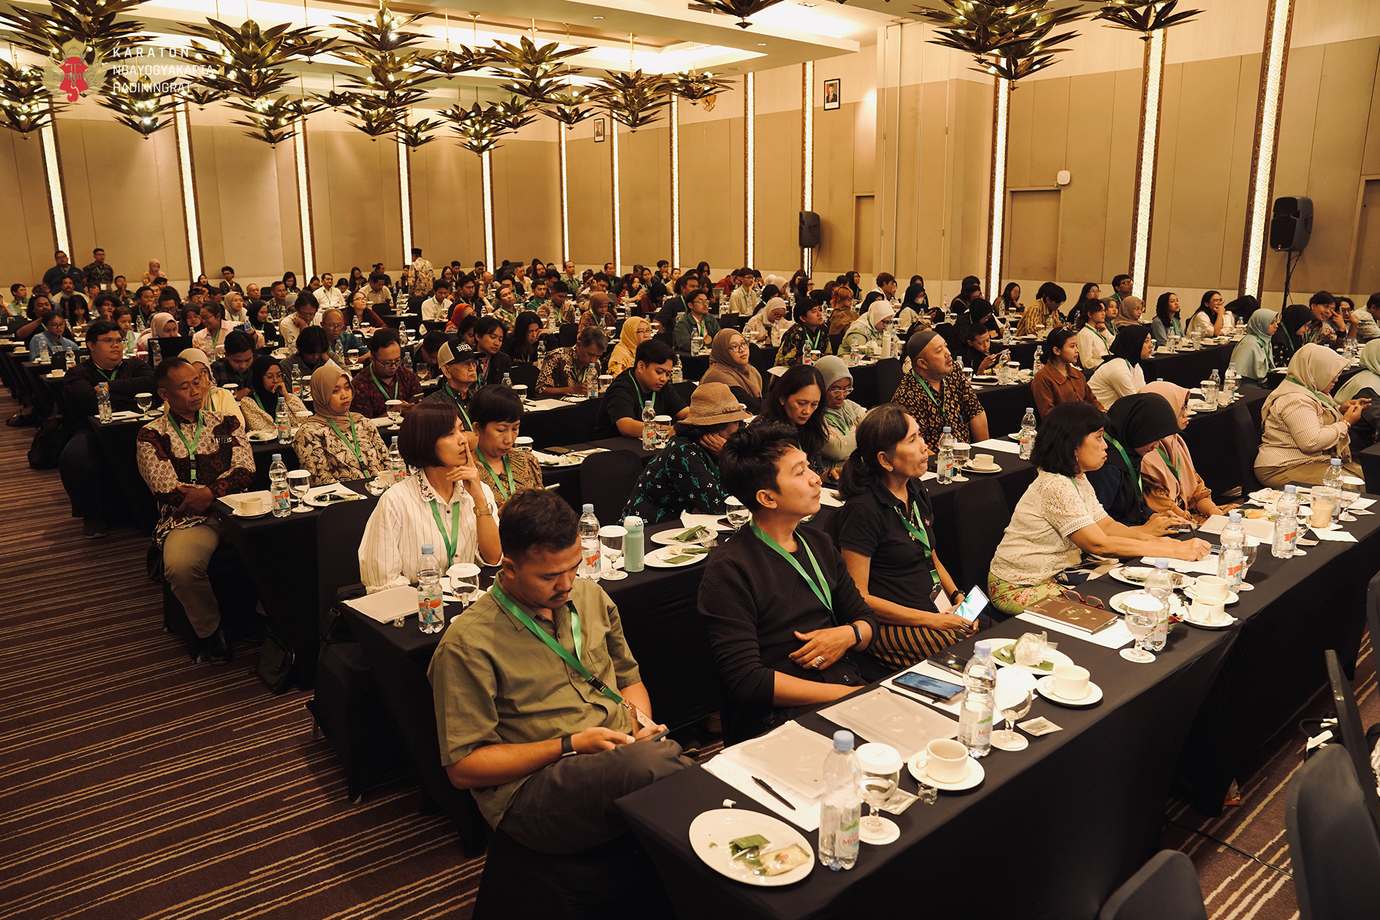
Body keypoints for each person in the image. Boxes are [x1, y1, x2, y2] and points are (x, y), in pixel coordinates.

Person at [427, 489, 690, 854]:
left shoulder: (590, 597)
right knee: (659, 770)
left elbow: (628, 680)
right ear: (510, 568)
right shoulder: (468, 644)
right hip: (534, 784)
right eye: (550, 576)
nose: (567, 585)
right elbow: (464, 768)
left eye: (574, 567)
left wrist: (639, 728)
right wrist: (570, 745)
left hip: (620, 754)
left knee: (655, 764)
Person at [700, 423, 882, 740]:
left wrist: (848, 634)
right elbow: (747, 680)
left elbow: (867, 621)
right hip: (779, 718)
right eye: (799, 473)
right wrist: (847, 696)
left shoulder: (818, 542)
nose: (815, 478)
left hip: (844, 683)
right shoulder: (730, 569)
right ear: (767, 498)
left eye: (809, 466)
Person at [986, 402, 1211, 615]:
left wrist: (1159, 540)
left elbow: (1107, 526)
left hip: (1056, 574)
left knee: (1129, 589)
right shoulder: (1055, 485)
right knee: (1113, 607)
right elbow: (1098, 544)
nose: (1105, 446)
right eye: (1099, 437)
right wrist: (1172, 550)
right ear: (1073, 444)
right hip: (1019, 585)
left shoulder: (1076, 478)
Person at [835, 405, 977, 669]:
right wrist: (932, 620)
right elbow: (859, 596)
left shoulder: (915, 488)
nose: (924, 446)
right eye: (912, 440)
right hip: (888, 622)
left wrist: (958, 597)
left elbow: (930, 555)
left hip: (931, 610)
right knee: (963, 656)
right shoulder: (863, 510)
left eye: (920, 435)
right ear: (885, 460)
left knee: (983, 631)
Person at [136, 358, 254, 661]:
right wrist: (210, 492)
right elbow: (165, 488)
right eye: (184, 386)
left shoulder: (223, 425)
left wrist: (209, 493)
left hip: (236, 510)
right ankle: (210, 630)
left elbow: (244, 468)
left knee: (282, 542)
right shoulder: (152, 434)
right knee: (181, 566)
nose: (195, 391)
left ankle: (268, 618)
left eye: (198, 382)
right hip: (188, 520)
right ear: (165, 394)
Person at [359, 402, 501, 592]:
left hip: (468, 598)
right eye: (450, 434)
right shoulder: (396, 500)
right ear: (425, 442)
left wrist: (480, 500)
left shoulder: (479, 491)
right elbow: (382, 582)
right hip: (420, 604)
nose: (463, 440)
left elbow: (493, 558)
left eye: (461, 430)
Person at [58, 321, 156, 534]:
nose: (116, 345)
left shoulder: (134, 365)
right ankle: (93, 514)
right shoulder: (78, 372)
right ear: (91, 345)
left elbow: (151, 384)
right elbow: (88, 401)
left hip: (137, 427)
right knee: (75, 455)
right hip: (93, 431)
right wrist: (129, 396)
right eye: (108, 341)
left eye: (119, 340)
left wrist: (108, 387)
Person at [621, 382, 749, 524]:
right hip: (650, 527)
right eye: (734, 422)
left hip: (688, 523)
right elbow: (719, 505)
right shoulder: (683, 450)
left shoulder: (721, 446)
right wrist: (728, 457)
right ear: (715, 427)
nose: (738, 428)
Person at [1255, 343, 1365, 486]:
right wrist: (1345, 423)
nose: (1336, 379)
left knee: (1369, 476)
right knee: (1353, 486)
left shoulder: (1311, 390)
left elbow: (1314, 418)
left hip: (1305, 461)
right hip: (1283, 467)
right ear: (1315, 371)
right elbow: (1311, 442)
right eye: (1331, 374)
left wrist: (1340, 410)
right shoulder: (1296, 400)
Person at [1085, 393, 1194, 529]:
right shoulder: (1106, 465)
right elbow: (1099, 523)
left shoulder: (1130, 452)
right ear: (1138, 429)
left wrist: (1152, 516)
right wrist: (1145, 531)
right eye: (1153, 438)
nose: (1155, 447)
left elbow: (1133, 504)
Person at [1137, 381, 1224, 521]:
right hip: (1167, 521)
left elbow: (1197, 490)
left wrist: (1212, 510)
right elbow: (1160, 505)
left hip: (1186, 515)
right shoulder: (1146, 451)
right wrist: (1190, 519)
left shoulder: (1176, 441)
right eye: (1181, 408)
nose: (1186, 414)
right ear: (1163, 412)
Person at [293, 362, 389, 485]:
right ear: (321, 395)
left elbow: (387, 461)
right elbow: (320, 480)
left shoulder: (363, 422)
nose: (344, 395)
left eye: (347, 388)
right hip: (343, 495)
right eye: (335, 391)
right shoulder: (309, 433)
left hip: (380, 489)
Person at [890, 329, 989, 448]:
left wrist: (983, 449)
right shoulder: (907, 395)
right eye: (939, 351)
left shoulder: (953, 371)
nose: (948, 353)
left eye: (945, 346)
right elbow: (914, 444)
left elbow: (975, 411)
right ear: (922, 363)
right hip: (932, 457)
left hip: (962, 451)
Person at [469, 386, 544, 508]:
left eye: (515, 428)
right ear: (477, 428)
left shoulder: (526, 461)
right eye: (501, 430)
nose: (509, 440)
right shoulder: (468, 471)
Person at [598, 339, 688, 439]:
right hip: (613, 444)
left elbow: (684, 412)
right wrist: (666, 430)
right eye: (659, 372)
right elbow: (626, 426)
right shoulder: (621, 387)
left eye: (668, 374)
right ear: (641, 366)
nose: (664, 378)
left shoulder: (662, 385)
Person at [759, 364, 829, 474]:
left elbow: (816, 471)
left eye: (814, 404)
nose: (807, 411)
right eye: (801, 403)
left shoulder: (810, 426)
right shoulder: (765, 432)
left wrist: (827, 475)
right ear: (782, 398)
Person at [350, 328, 422, 419]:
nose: (393, 366)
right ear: (372, 358)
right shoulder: (360, 385)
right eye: (387, 363)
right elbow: (363, 423)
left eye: (397, 361)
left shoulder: (407, 376)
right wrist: (395, 411)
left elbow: (420, 406)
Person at [1031, 327, 1101, 419]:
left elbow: (1093, 401)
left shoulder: (1078, 374)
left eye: (1076, 346)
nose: (1077, 350)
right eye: (1072, 346)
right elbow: (1049, 415)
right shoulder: (1042, 378)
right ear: (1056, 350)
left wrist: (1101, 415)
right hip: (1063, 426)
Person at [815, 356, 865, 472]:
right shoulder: (814, 414)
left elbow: (873, 429)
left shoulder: (850, 406)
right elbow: (838, 450)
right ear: (821, 387)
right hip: (831, 476)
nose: (842, 396)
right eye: (835, 389)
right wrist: (859, 428)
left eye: (847, 389)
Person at [421, 341, 483, 434]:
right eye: (465, 363)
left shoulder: (480, 398)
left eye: (474, 362)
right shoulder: (433, 406)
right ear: (446, 370)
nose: (472, 368)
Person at [1088, 324, 1152, 410]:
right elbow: (1135, 403)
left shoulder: (1135, 365)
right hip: (1098, 413)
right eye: (1146, 341)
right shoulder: (1118, 368)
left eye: (1150, 341)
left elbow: (1142, 393)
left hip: (1113, 411)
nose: (1151, 345)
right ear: (1134, 343)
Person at [239, 355, 307, 434]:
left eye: (279, 375)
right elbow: (261, 430)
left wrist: (286, 396)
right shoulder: (248, 402)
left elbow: (305, 421)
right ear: (259, 378)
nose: (275, 380)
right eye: (270, 376)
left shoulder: (288, 398)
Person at [700, 328, 762, 410]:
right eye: (734, 346)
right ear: (723, 352)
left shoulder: (750, 370)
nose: (742, 350)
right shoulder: (717, 375)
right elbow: (752, 406)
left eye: (743, 343)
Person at [177, 348, 244, 424]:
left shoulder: (222, 395)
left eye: (203, 372)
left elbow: (238, 426)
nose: (200, 378)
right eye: (193, 374)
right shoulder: (177, 400)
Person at [537, 326, 607, 397]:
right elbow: (540, 389)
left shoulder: (596, 364)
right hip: (560, 403)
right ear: (579, 345)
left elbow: (595, 392)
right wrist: (571, 390)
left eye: (598, 356)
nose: (593, 360)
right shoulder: (556, 357)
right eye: (590, 354)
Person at [775, 297, 832, 366]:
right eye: (814, 311)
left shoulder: (823, 329)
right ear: (802, 318)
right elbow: (785, 361)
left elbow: (828, 353)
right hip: (792, 370)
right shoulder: (795, 333)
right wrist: (807, 358)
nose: (819, 314)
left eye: (819, 310)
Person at [1229, 308, 1279, 384]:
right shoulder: (1249, 344)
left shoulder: (1265, 340)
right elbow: (1236, 373)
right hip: (1247, 385)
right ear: (1260, 324)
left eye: (1276, 322)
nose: (1276, 326)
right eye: (1272, 323)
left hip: (1262, 382)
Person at [1074, 299, 1113, 371]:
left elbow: (1114, 345)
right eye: (1100, 311)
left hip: (1107, 368)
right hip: (1098, 371)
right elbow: (1087, 363)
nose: (1103, 313)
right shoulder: (1085, 334)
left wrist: (1105, 331)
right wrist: (1107, 364)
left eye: (1104, 310)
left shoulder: (1099, 330)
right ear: (1090, 314)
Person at [473, 317, 511, 387]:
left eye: (500, 340)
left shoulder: (503, 360)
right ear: (478, 336)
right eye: (493, 337)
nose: (497, 343)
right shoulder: (466, 357)